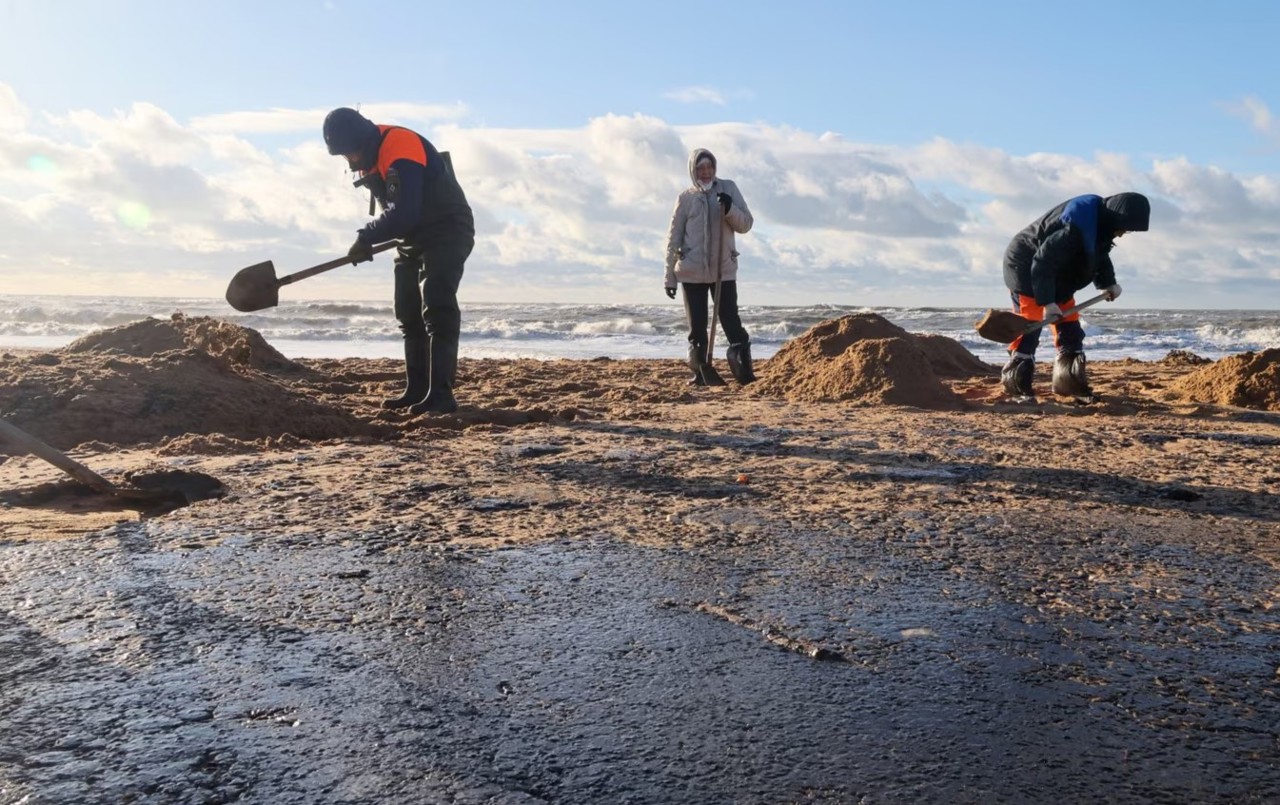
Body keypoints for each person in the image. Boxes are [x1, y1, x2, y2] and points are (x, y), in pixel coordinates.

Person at [322, 107, 475, 415]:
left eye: (350, 153)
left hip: (447, 231)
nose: (349, 161)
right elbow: (399, 216)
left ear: (363, 141)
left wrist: (366, 237)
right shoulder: (369, 157)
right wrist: (372, 238)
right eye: (344, 156)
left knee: (437, 305)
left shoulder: (400, 146)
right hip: (410, 239)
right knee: (407, 311)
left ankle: (441, 396)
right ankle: (416, 389)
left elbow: (405, 213)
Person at [1000, 192, 1150, 402]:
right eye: (1124, 228)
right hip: (1026, 267)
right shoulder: (1074, 226)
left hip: (1058, 275)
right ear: (1116, 218)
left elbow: (1099, 254)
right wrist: (1047, 302)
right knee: (1030, 326)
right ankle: (1015, 385)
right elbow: (1043, 261)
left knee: (1070, 328)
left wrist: (1107, 283)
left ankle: (1068, 384)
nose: (1123, 234)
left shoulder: (1101, 226)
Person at [663, 148, 756, 385]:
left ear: (714, 168)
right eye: (700, 168)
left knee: (731, 321)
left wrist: (729, 209)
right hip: (691, 272)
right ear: (693, 171)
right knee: (697, 328)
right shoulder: (685, 198)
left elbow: (746, 224)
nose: (705, 172)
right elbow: (674, 239)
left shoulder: (729, 189)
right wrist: (669, 277)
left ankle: (744, 373)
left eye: (709, 167)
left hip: (722, 270)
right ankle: (700, 373)